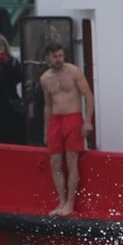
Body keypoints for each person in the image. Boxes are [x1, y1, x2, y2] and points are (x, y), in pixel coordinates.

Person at [39, 43, 95, 216]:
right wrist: (46, 130)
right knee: (55, 162)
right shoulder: (44, 78)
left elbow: (88, 96)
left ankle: (70, 203)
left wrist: (87, 121)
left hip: (73, 118)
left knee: (71, 161)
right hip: (56, 121)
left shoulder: (73, 71)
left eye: (61, 56)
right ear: (47, 57)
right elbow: (47, 106)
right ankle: (61, 203)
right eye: (55, 56)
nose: (58, 60)